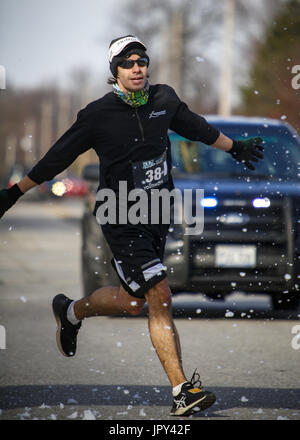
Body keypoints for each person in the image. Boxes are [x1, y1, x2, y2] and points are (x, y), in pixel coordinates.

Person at [0, 35, 264, 416]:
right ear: (115, 71)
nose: (137, 67)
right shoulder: (96, 115)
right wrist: (13, 193)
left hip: (157, 213)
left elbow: (199, 128)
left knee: (133, 301)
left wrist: (235, 147)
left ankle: (71, 311)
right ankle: (181, 391)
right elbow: (56, 158)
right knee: (160, 293)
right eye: (128, 62)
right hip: (120, 216)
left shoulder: (164, 100)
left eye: (142, 60)